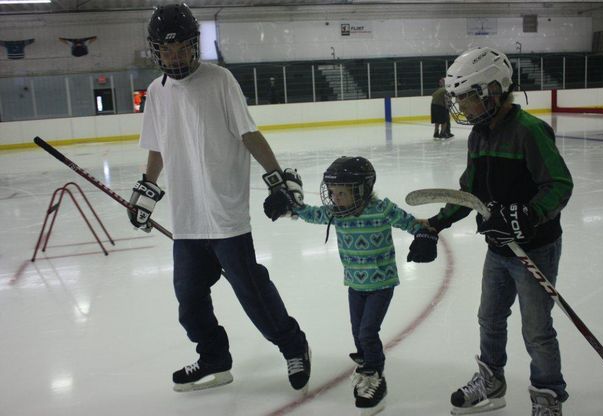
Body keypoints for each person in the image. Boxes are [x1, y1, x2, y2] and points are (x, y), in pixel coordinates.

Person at [128, 3, 310, 394]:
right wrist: (146, 189)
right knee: (189, 301)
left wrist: (277, 179)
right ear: (155, 50)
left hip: (225, 215)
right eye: (166, 51)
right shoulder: (157, 93)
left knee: (253, 294)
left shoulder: (219, 79)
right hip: (188, 219)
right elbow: (157, 147)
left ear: (195, 46)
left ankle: (294, 346)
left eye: (181, 50)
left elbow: (248, 133)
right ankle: (214, 358)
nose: (174, 58)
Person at [421, 47, 573, 415]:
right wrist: (437, 223)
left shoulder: (530, 132)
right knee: (489, 318)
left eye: (468, 98)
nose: (462, 107)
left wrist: (528, 214)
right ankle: (491, 381)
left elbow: (558, 184)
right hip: (499, 248)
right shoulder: (479, 135)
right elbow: (470, 192)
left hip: (534, 248)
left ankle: (548, 395)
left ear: (492, 90)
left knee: (537, 329)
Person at [287, 156, 438, 415]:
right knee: (358, 330)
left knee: (368, 331)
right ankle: (365, 356)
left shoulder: (381, 208)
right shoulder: (336, 213)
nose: (335, 198)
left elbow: (409, 222)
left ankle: (374, 370)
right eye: (332, 192)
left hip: (381, 284)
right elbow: (312, 214)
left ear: (361, 190)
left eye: (341, 193)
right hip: (355, 285)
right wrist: (293, 205)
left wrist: (424, 234)